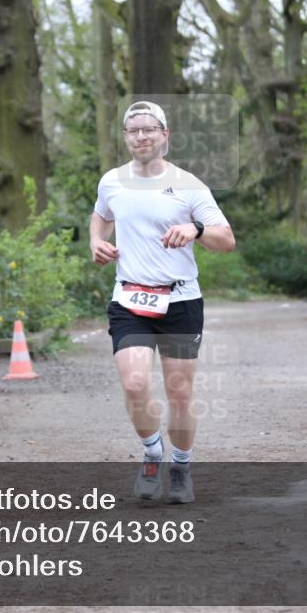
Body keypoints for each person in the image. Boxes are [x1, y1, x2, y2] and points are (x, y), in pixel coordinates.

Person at [89, 101, 235, 504]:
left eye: (149, 129)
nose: (141, 136)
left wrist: (196, 228)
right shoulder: (112, 181)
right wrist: (96, 241)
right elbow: (101, 216)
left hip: (180, 300)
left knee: (180, 394)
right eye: (133, 130)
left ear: (165, 134)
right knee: (135, 383)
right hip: (130, 297)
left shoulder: (189, 185)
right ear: (125, 137)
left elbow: (226, 240)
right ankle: (153, 453)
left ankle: (182, 467)